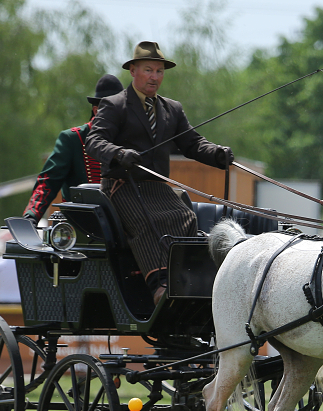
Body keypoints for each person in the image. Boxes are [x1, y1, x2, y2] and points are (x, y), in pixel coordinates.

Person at [85, 41, 234, 304]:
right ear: (133, 70)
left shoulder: (171, 109)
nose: (154, 77)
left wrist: (216, 154)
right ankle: (160, 286)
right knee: (146, 220)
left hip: (156, 187)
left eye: (159, 71)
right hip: (122, 186)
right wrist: (119, 153)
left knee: (186, 217)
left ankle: (187, 281)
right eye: (148, 70)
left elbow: (193, 143)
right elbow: (94, 141)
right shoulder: (114, 104)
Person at [23, 74, 125, 223]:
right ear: (96, 111)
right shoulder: (73, 139)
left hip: (122, 225)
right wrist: (31, 216)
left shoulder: (129, 140)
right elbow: (47, 182)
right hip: (79, 225)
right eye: (113, 110)